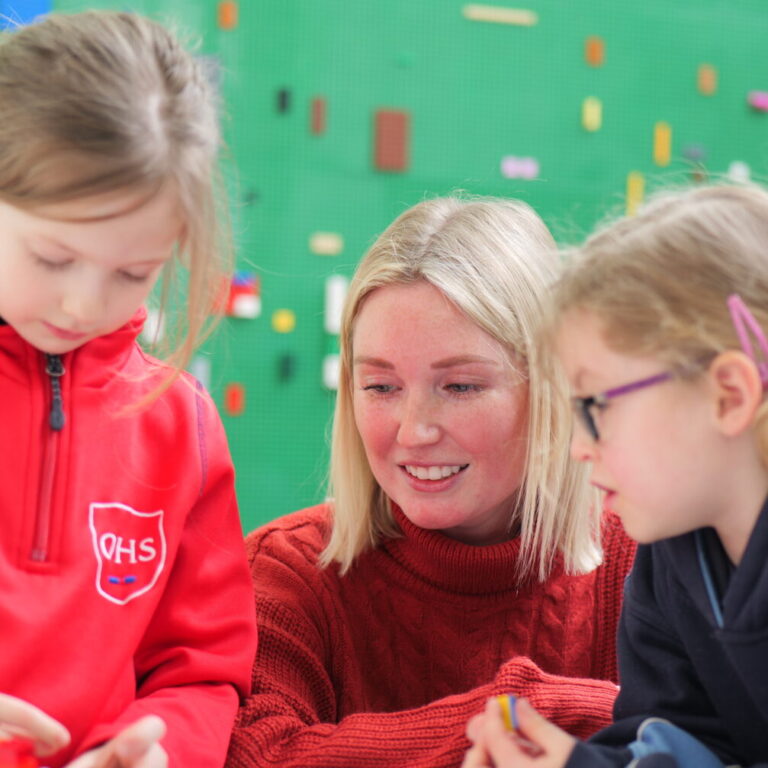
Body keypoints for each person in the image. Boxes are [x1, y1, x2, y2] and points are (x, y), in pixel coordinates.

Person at [227, 196, 636, 768]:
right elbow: (257, 756)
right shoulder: (287, 572)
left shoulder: (647, 560)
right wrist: (525, 713)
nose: (414, 431)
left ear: (550, 389)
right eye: (380, 387)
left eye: (461, 386)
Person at [0, 10, 258, 768]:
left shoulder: (182, 425)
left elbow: (202, 668)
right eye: (53, 258)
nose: (82, 303)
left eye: (132, 273)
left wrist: (158, 752)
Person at [462, 183, 768, 768]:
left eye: (594, 405)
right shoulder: (668, 556)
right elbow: (684, 746)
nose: (578, 448)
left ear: (729, 396)